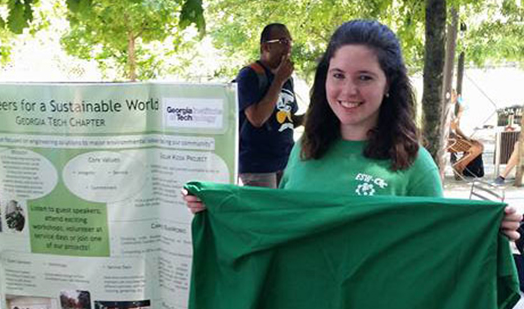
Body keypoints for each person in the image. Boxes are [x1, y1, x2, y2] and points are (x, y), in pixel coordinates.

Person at [183, 19, 521, 240]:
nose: (348, 91)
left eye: (365, 77)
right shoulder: (303, 152)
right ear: (324, 78)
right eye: (338, 75)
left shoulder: (414, 166)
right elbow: (277, 228)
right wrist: (218, 210)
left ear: (389, 85)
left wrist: (488, 230)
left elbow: (441, 248)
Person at [236, 23, 303, 188]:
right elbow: (257, 118)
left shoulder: (287, 79)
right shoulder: (249, 75)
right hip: (258, 165)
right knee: (264, 212)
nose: (288, 48)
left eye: (290, 42)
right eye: (283, 41)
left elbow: (286, 121)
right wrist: (279, 79)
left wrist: (313, 115)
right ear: (265, 46)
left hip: (285, 160)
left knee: (284, 211)